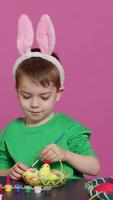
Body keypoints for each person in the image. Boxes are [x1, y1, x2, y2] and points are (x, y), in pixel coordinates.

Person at [0, 14, 100, 180]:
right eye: (26, 96)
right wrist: (10, 172)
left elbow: (94, 167)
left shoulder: (69, 128)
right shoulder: (10, 131)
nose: (34, 104)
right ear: (16, 90)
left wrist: (65, 155)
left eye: (44, 97)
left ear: (58, 93)